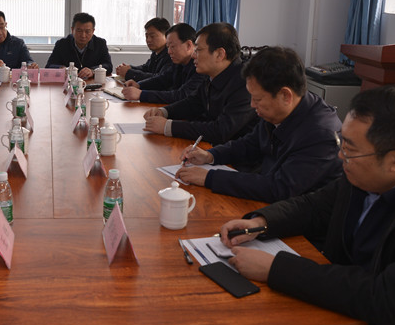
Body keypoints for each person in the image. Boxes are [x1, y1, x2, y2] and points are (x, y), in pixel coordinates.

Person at [219, 86, 395, 325]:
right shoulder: (369, 168)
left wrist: (276, 268)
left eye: (349, 149)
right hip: (344, 310)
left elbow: (389, 298)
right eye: (342, 142)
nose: (341, 156)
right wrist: (261, 222)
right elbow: (318, 205)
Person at [178, 46, 342, 202]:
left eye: (257, 99)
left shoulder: (321, 134)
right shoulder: (280, 110)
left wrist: (210, 177)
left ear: (285, 95)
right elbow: (251, 143)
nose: (252, 105)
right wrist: (211, 155)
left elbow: (281, 188)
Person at [143, 22, 257, 144]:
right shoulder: (213, 75)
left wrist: (168, 127)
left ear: (219, 54)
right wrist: (164, 111)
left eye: (198, 50)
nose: (193, 55)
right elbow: (193, 103)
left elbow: (221, 130)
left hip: (233, 153)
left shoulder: (246, 83)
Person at [121, 22, 203, 104]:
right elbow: (162, 79)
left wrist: (141, 94)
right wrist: (139, 85)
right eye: (168, 47)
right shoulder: (179, 62)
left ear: (189, 45)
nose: (169, 52)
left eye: (173, 46)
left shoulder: (201, 67)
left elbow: (181, 95)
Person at [46, 12, 113, 80]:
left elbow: (108, 66)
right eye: (79, 31)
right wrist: (61, 69)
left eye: (87, 31)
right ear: (72, 30)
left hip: (92, 83)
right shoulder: (62, 44)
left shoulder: (100, 43)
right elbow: (49, 66)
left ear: (93, 31)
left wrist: (92, 71)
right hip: (69, 83)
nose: (83, 35)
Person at [115, 17, 171, 81]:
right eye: (146, 36)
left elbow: (159, 78)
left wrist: (129, 72)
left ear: (166, 36)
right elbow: (146, 68)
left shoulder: (171, 54)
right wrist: (129, 68)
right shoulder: (156, 53)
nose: (148, 40)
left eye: (152, 36)